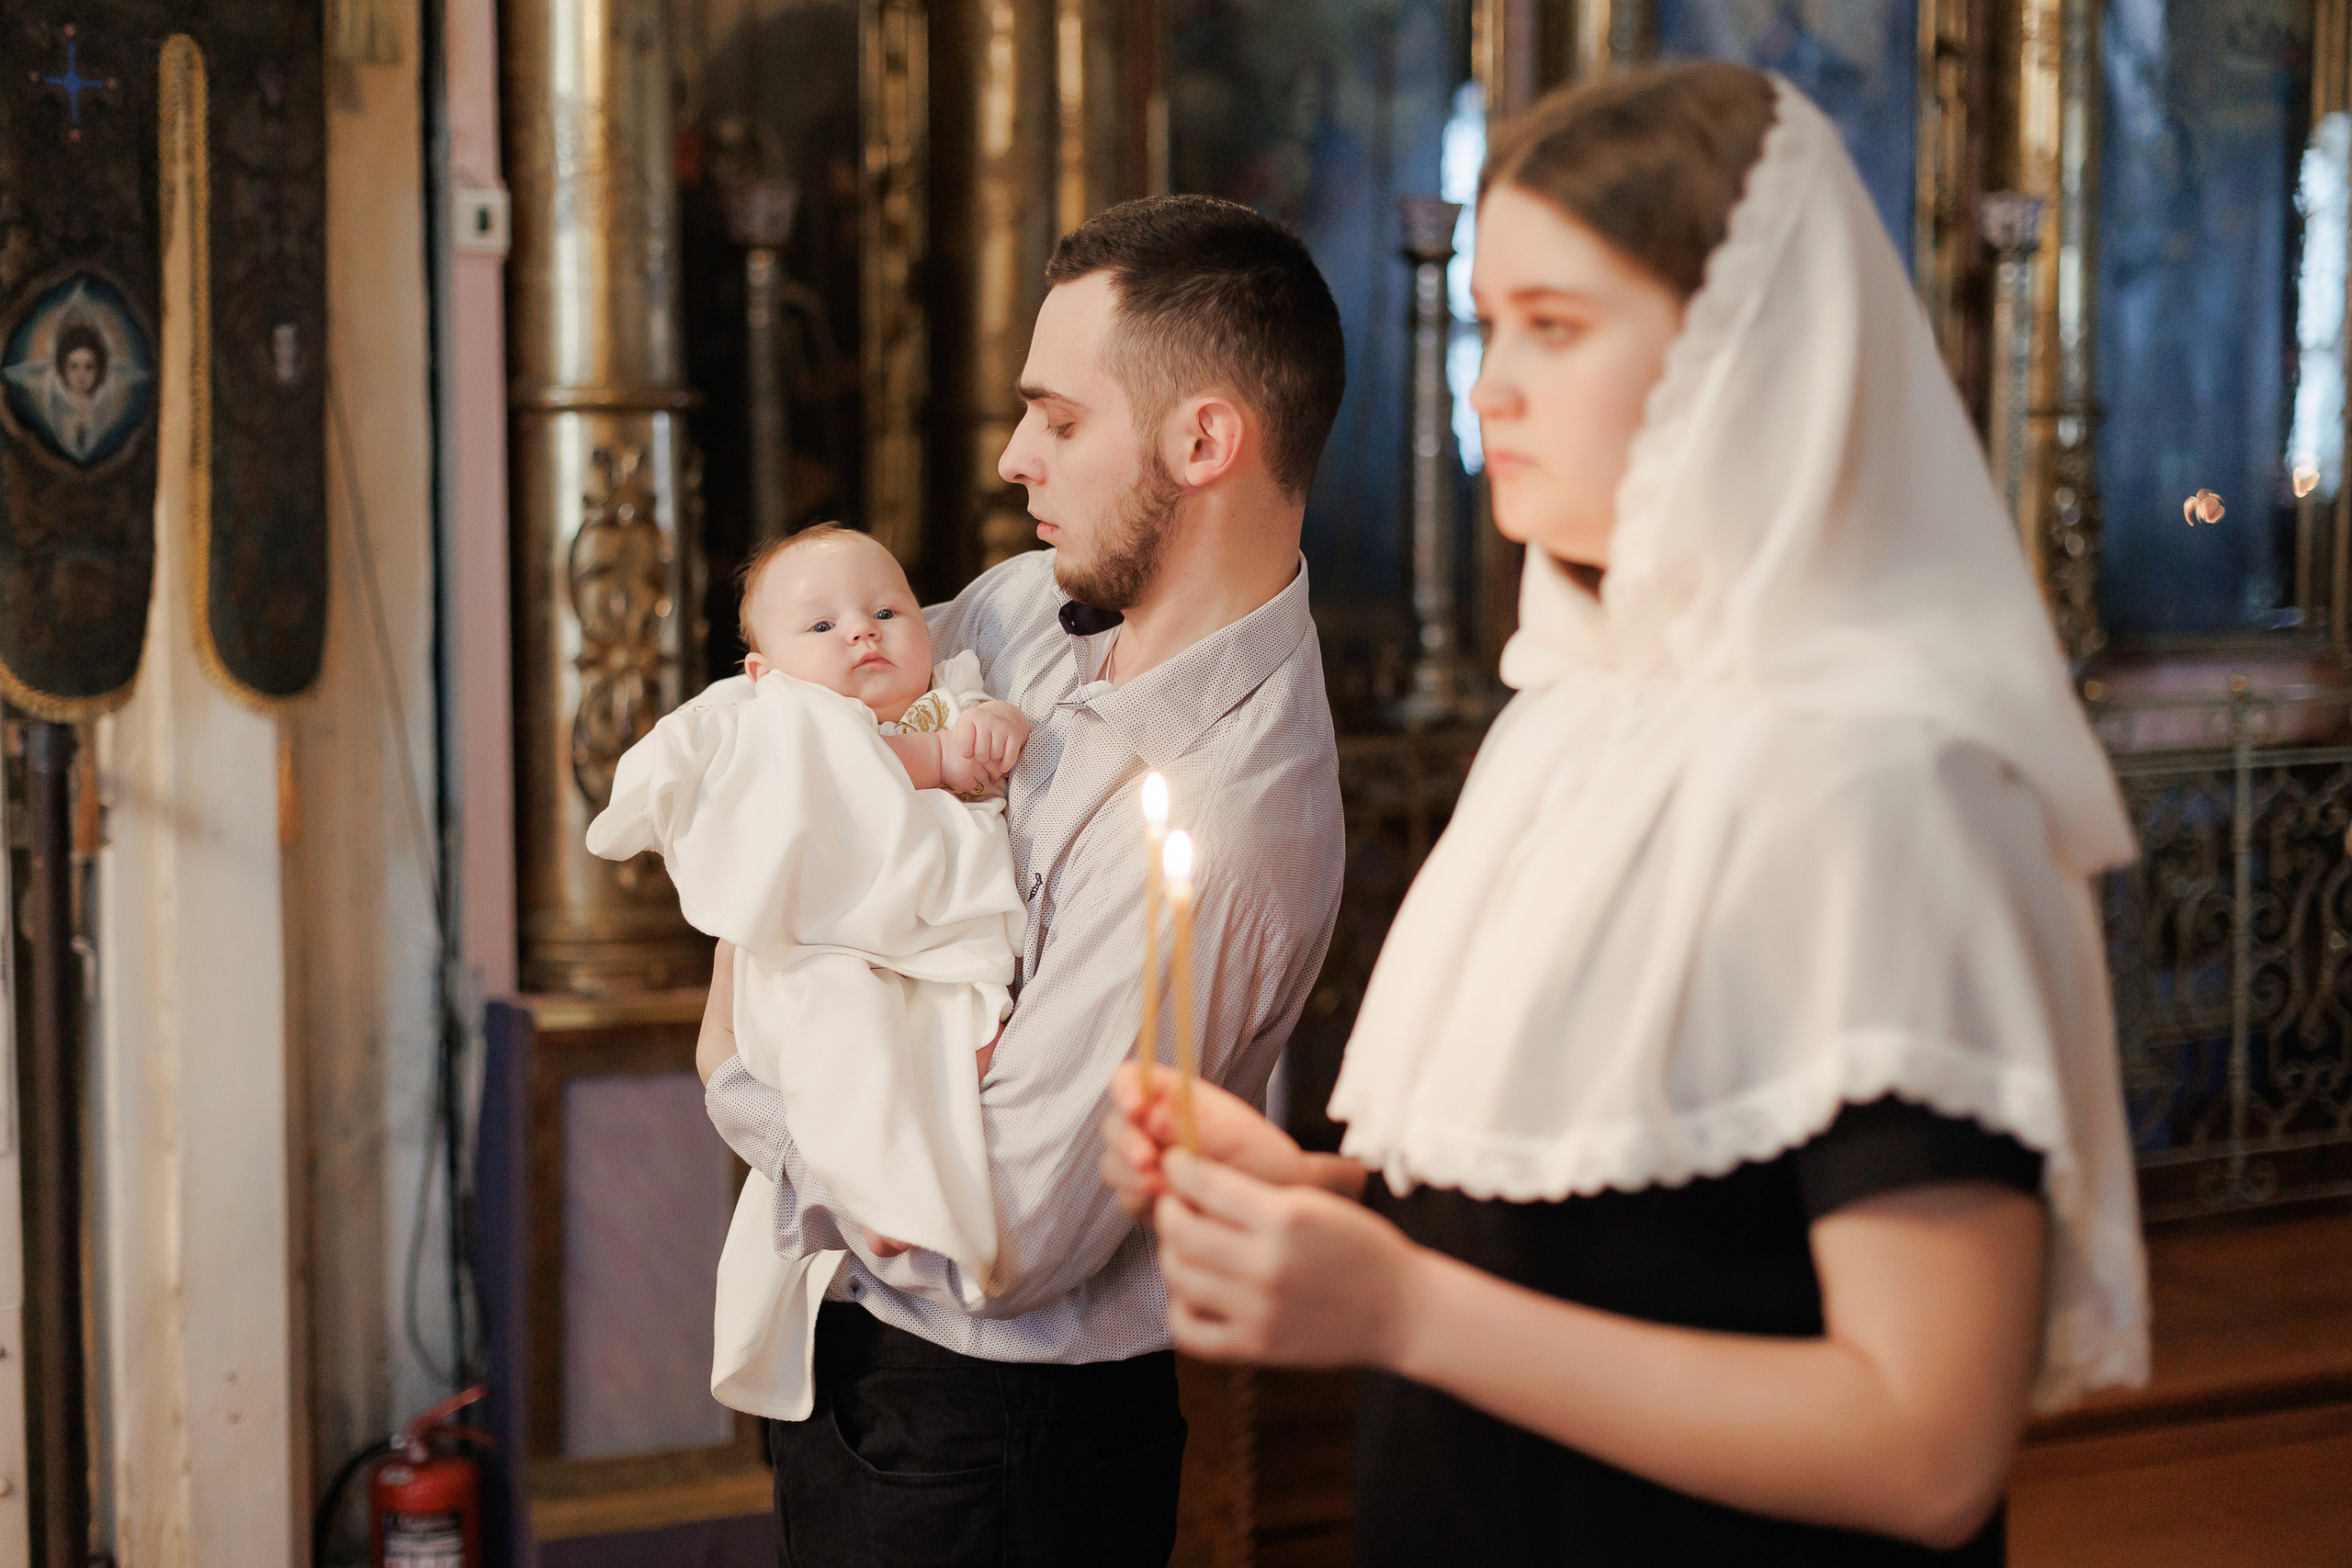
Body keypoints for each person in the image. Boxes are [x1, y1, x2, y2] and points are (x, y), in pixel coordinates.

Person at [1102, 63, 2149, 1566]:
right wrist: (1327, 1208)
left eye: (1556, 325)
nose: (1489, 389)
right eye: (1489, 325)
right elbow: (1622, 1230)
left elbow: (1926, 1445)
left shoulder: (1885, 782)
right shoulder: (1573, 722)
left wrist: (1403, 1306)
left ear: (1750, 355)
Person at [699, 194, 1349, 1566]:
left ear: (1203, 441)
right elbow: (781, 736)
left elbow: (991, 1234)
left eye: (1058, 419)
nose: (1012, 457)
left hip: (997, 1451)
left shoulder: (1235, 816)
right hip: (850, 1359)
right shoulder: (1021, 612)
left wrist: (745, 1070)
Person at [588, 525, 1032, 1420]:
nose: (862, 631)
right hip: (826, 951)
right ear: (765, 670)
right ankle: (879, 1195)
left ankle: (928, 1161)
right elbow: (807, 785)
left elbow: (996, 737)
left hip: (935, 941)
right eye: (822, 626)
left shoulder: (953, 692)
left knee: (946, 1040)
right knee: (844, 1039)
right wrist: (932, 763)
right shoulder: (778, 719)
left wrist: (999, 727)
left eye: (887, 611)